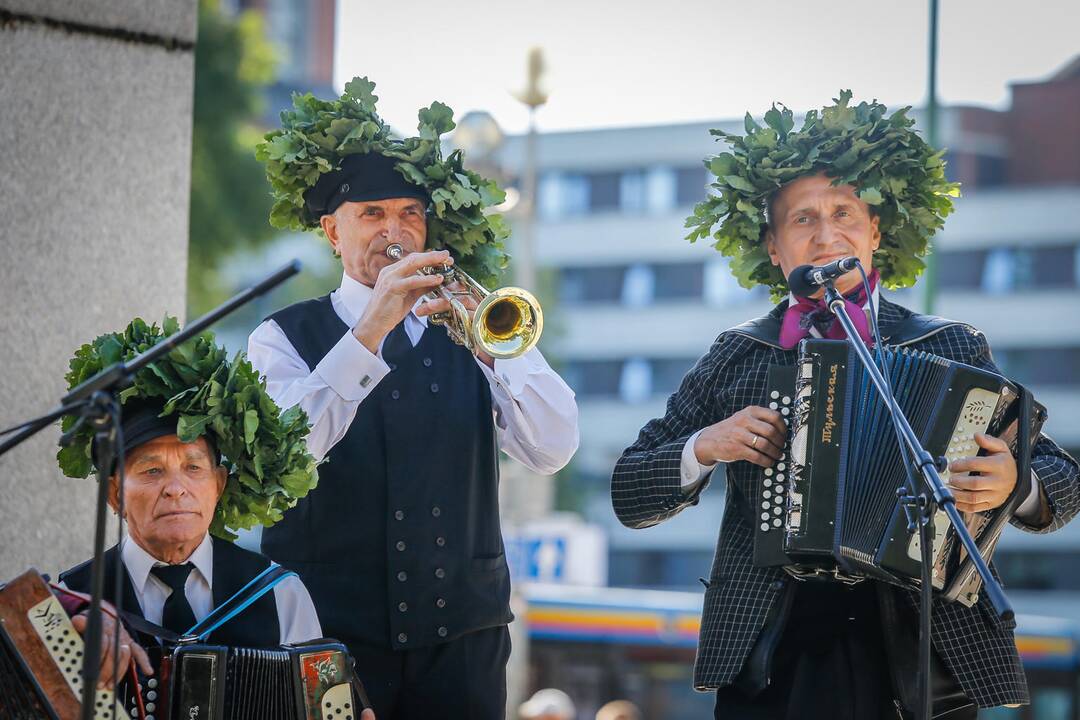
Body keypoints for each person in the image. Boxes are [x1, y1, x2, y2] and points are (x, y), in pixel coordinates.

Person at [612, 93, 1080, 719]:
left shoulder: (948, 346)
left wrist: (1013, 483)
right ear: (775, 249)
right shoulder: (738, 355)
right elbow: (629, 491)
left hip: (920, 650)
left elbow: (1064, 482)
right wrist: (704, 447)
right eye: (802, 220)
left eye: (844, 214)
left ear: (875, 233)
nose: (827, 234)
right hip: (775, 650)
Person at [250, 78, 578, 719]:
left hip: (463, 645)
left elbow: (555, 446)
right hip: (327, 639)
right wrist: (370, 328)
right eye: (372, 215)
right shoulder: (281, 338)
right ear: (331, 232)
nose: (394, 231)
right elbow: (283, 455)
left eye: (409, 214)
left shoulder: (471, 323)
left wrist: (492, 350)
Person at [55, 318, 326, 671]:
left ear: (219, 485)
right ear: (115, 494)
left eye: (193, 468)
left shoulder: (279, 593)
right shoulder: (74, 598)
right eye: (152, 471)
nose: (175, 488)